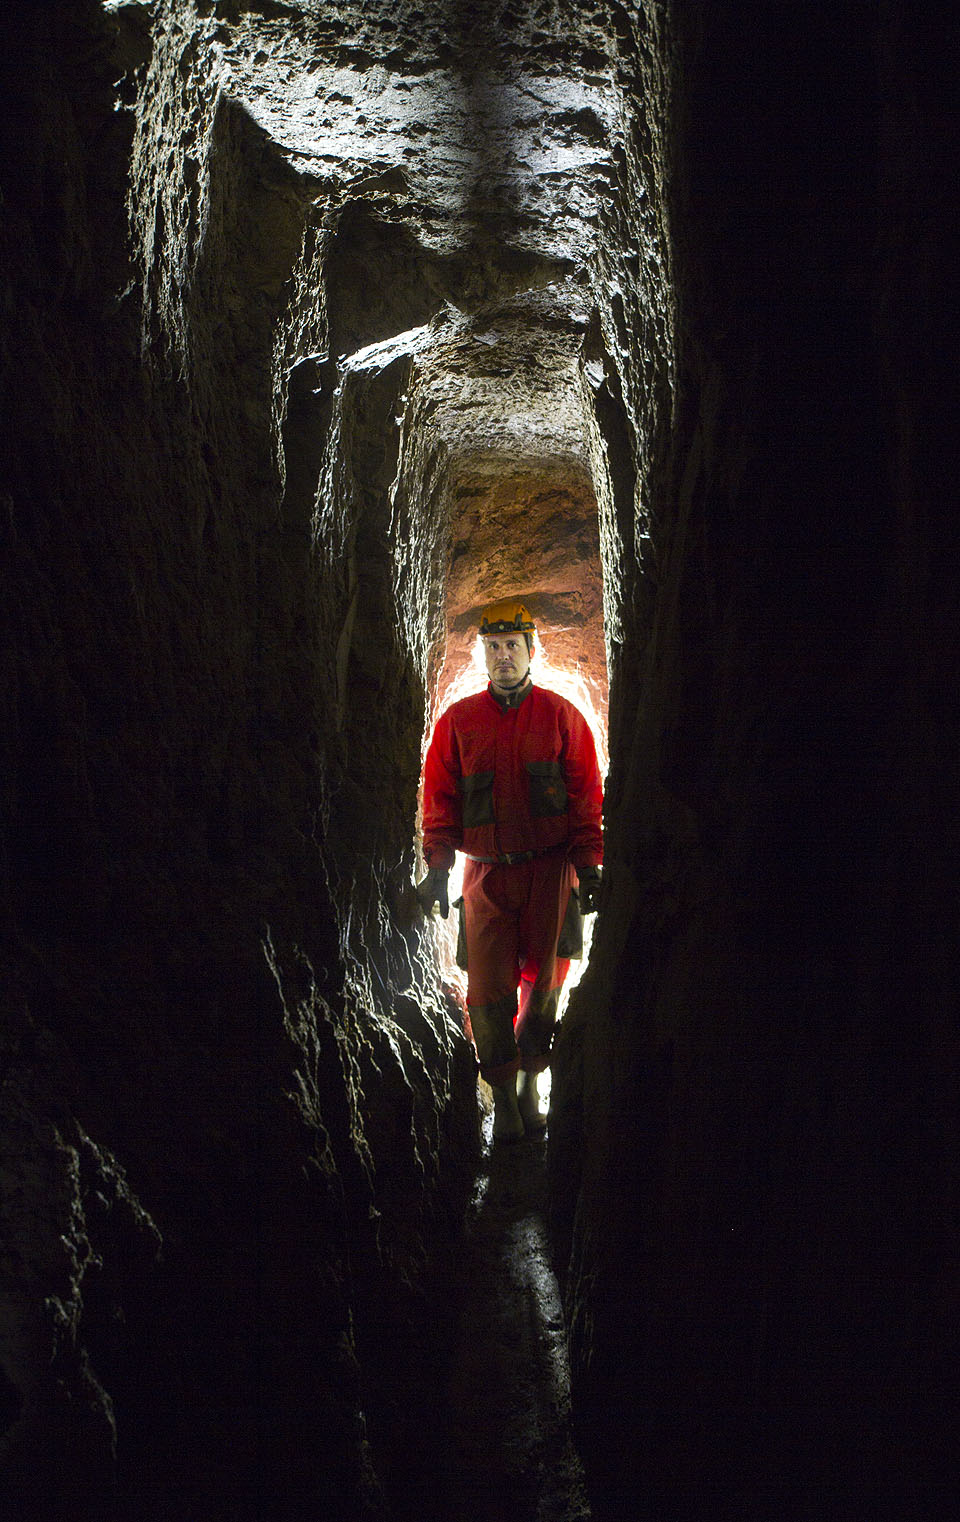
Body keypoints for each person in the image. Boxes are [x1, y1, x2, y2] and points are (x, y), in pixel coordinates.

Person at [416, 598, 603, 1141]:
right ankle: (501, 1093)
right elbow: (441, 804)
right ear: (483, 654)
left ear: (530, 650)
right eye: (493, 647)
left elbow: (586, 800)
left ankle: (529, 1082)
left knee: (544, 983)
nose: (502, 657)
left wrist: (589, 868)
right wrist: (436, 869)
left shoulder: (562, 716)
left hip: (550, 872)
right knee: (487, 988)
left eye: (511, 647)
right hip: (486, 877)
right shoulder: (459, 723)